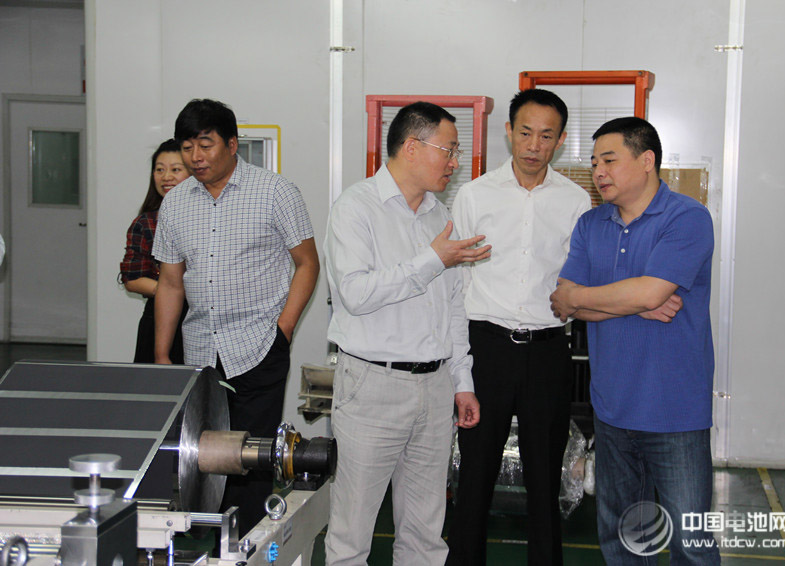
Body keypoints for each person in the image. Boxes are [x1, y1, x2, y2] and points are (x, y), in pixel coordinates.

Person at [324, 101, 489, 565]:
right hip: (373, 384)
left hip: (435, 388)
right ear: (412, 147)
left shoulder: (440, 217)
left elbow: (453, 309)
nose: (455, 162)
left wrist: (462, 381)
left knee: (425, 534)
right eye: (449, 150)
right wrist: (432, 260)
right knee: (352, 532)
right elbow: (356, 294)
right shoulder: (356, 208)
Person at [550, 116, 719, 565]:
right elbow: (563, 302)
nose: (598, 171)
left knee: (690, 543)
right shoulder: (591, 224)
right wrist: (635, 301)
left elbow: (637, 294)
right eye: (594, 163)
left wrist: (601, 297)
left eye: (609, 160)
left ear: (647, 160)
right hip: (612, 410)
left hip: (676, 412)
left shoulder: (687, 217)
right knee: (623, 538)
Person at [152, 99, 319, 534]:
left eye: (205, 144)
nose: (195, 156)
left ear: (231, 144)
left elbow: (307, 263)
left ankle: (247, 549)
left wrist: (283, 331)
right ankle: (210, 545)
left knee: (251, 461)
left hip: (258, 347)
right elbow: (170, 283)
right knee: (202, 459)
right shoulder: (175, 203)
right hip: (200, 353)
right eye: (187, 147)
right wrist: (163, 355)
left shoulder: (275, 191)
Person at [446, 89, 590, 566]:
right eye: (525, 132)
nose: (534, 145)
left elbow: (577, 277)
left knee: (546, 476)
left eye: (546, 136)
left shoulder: (575, 201)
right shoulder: (475, 195)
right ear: (509, 132)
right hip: (487, 347)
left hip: (548, 350)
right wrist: (460, 364)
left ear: (561, 141)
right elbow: (456, 281)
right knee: (475, 474)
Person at [119, 139, 190, 363]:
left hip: (202, 321)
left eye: (175, 170)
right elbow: (132, 279)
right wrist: (171, 293)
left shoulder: (211, 218)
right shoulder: (146, 223)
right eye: (159, 170)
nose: (166, 177)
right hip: (159, 318)